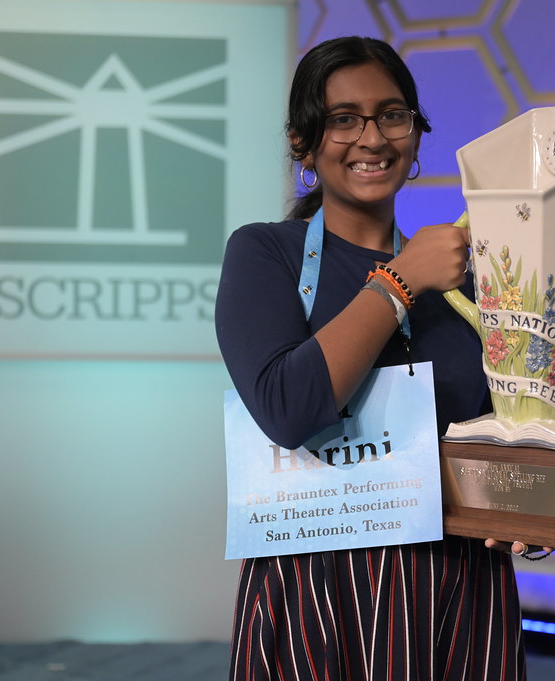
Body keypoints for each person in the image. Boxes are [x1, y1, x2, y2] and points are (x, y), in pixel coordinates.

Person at [215, 36, 537, 680]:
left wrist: (522, 511)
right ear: (302, 143)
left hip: (455, 578)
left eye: (393, 115)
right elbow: (288, 408)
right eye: (343, 119)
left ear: (416, 136)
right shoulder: (264, 254)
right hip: (316, 582)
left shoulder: (468, 280)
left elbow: (495, 428)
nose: (373, 137)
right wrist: (397, 283)